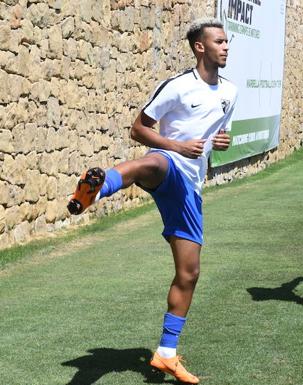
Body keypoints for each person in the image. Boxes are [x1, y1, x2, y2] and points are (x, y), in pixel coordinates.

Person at [66, 18, 236, 384]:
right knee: (151, 162)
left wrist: (222, 144)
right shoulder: (177, 87)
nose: (225, 47)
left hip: (191, 188)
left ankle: (166, 353)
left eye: (227, 42)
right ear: (199, 47)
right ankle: (97, 186)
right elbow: (138, 128)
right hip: (171, 163)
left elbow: (217, 138)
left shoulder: (230, 92)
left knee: (189, 273)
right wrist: (177, 145)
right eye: (219, 42)